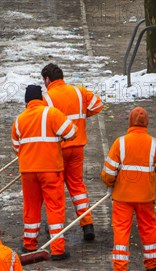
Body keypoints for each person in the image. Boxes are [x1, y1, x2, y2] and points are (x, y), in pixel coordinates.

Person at [101, 107, 156, 271]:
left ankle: (120, 269)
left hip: (123, 197)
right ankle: (152, 263)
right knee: (148, 229)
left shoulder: (120, 143)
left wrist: (111, 183)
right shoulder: (155, 144)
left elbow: (108, 172)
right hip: (146, 196)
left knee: (121, 231)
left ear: (130, 121)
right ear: (146, 122)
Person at [11, 85, 77, 260]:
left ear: (26, 101)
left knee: (31, 207)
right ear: (41, 98)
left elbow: (16, 147)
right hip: (50, 169)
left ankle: (29, 243)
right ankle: (57, 249)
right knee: (54, 207)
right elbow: (71, 132)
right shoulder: (52, 113)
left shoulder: (19, 120)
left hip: (28, 171)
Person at [41, 63, 104, 241]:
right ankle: (87, 224)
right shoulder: (79, 91)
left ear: (47, 79)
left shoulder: (47, 98)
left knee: (56, 190)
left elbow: (44, 123)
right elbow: (98, 105)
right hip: (77, 148)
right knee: (77, 186)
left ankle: (56, 227)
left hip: (58, 150)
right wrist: (83, 115)